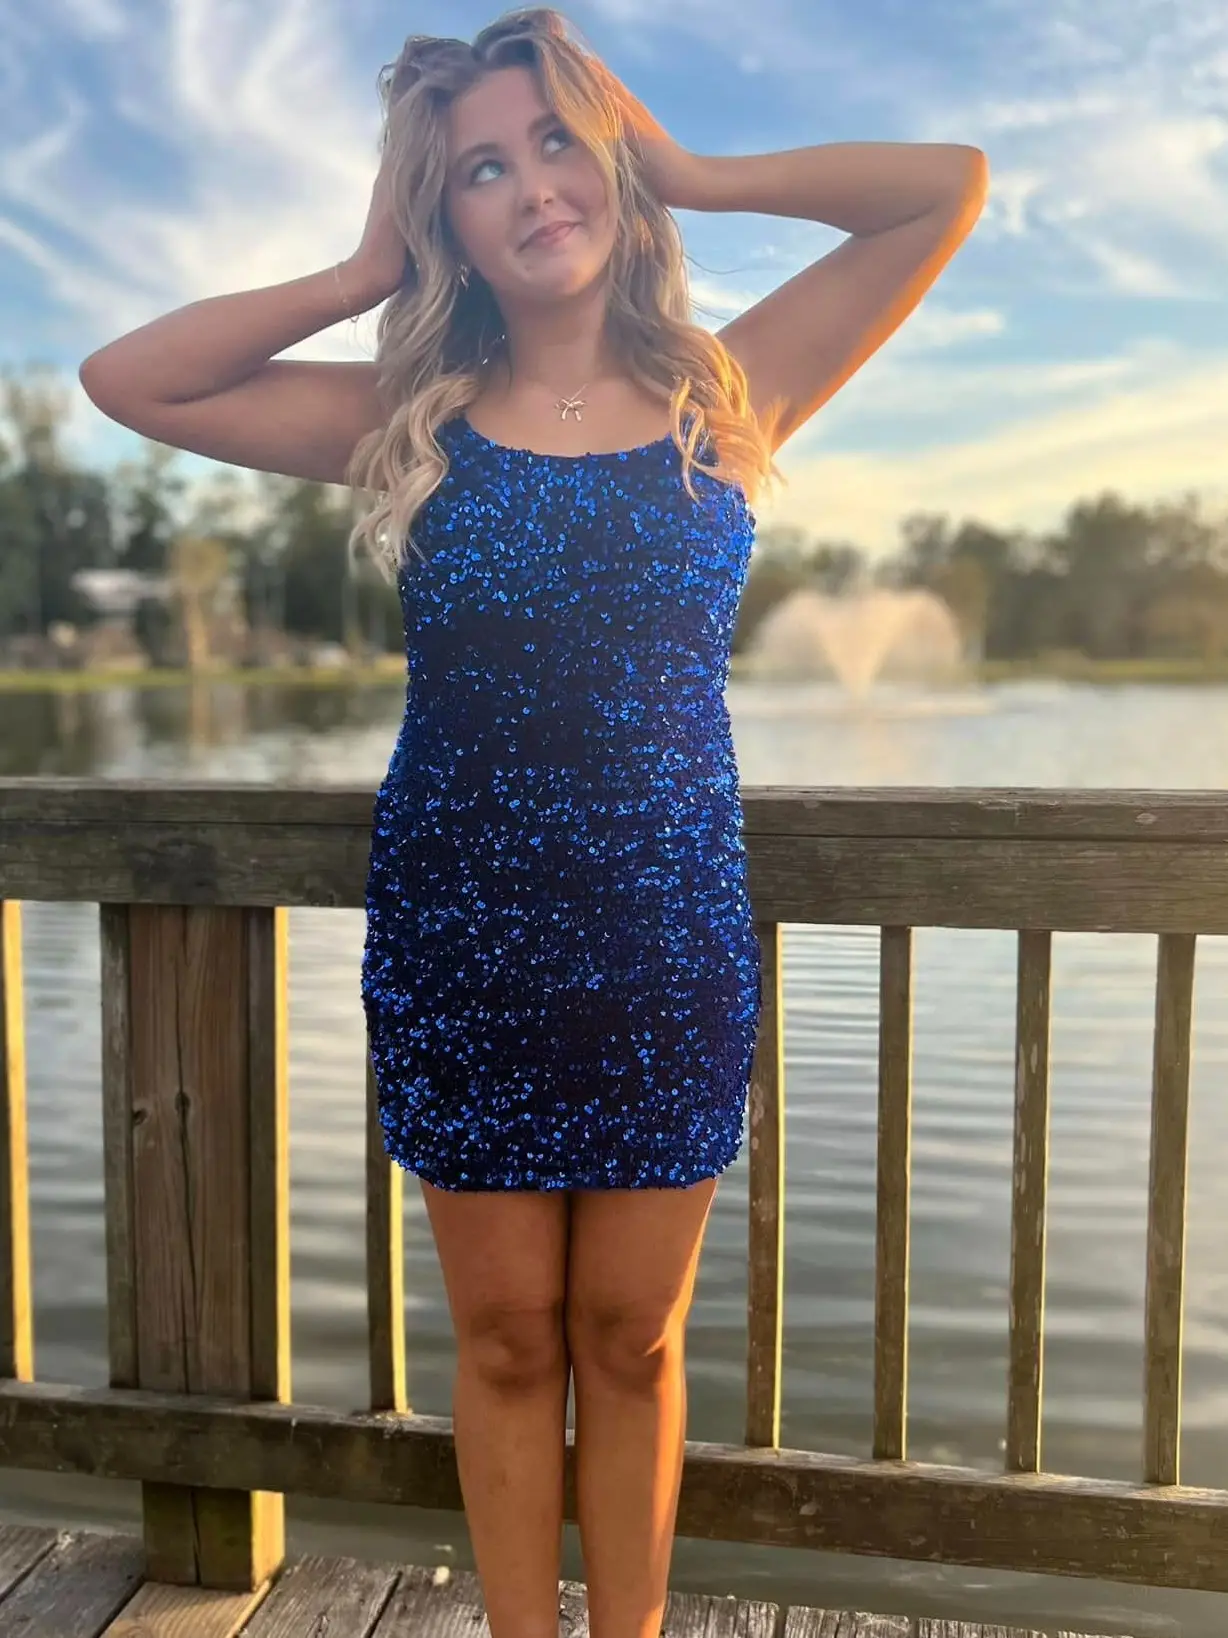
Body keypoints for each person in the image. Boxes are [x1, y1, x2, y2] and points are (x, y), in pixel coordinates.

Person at [78, 9, 986, 1635]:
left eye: (557, 139)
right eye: (481, 168)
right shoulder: (408, 415)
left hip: (663, 940)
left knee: (632, 1337)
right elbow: (128, 378)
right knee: (503, 1342)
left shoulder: (727, 391)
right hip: (465, 938)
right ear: (447, 216)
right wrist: (364, 269)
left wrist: (691, 167)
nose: (532, 187)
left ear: (611, 159)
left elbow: (945, 186)